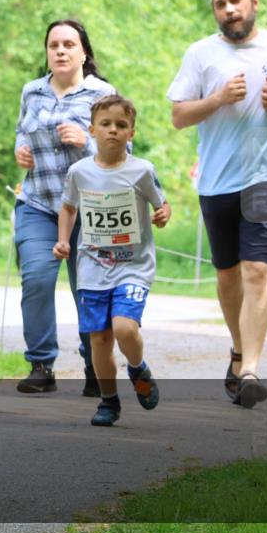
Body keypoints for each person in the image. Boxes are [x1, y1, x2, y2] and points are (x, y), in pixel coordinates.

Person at [167, 0, 267, 408]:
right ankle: (237, 349)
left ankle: (250, 369)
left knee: (257, 271)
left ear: (254, 2)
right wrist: (217, 99)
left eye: (235, 1)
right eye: (220, 4)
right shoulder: (201, 53)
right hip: (216, 179)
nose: (229, 10)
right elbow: (178, 115)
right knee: (228, 274)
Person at [53, 95, 171, 425]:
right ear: (92, 129)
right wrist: (63, 239)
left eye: (121, 125)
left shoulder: (142, 170)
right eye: (105, 124)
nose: (113, 131)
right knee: (100, 338)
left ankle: (137, 368)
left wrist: (163, 214)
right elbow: (68, 207)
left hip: (133, 265)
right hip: (92, 266)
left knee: (124, 327)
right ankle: (109, 401)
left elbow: (162, 203)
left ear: (131, 132)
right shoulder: (79, 172)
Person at [13, 19, 117, 396]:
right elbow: (21, 132)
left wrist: (87, 143)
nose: (60, 51)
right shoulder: (32, 91)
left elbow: (123, 152)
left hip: (88, 210)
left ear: (83, 52)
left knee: (88, 290)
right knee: (37, 279)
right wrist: (19, 152)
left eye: (68, 44)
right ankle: (41, 364)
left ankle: (95, 365)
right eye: (53, 44)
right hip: (38, 203)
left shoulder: (101, 94)